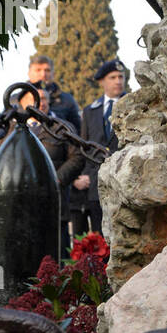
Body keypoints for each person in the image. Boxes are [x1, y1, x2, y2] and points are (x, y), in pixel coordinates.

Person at [11, 85, 79, 258]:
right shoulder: (9, 131)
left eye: (45, 99)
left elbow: (77, 157)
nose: (41, 103)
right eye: (35, 98)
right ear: (22, 103)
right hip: (20, 204)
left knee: (56, 255)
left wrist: (56, 179)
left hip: (54, 203)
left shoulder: (62, 128)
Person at [69, 59, 125, 234]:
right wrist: (80, 177)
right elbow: (84, 149)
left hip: (123, 182)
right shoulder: (90, 111)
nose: (118, 81)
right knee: (99, 238)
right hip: (96, 186)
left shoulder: (134, 106)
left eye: (121, 77)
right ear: (102, 81)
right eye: (113, 77)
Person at [28, 54, 81, 133]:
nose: (43, 74)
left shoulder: (67, 100)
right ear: (29, 73)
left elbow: (78, 131)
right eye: (38, 70)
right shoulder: (15, 100)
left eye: (47, 70)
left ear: (53, 74)